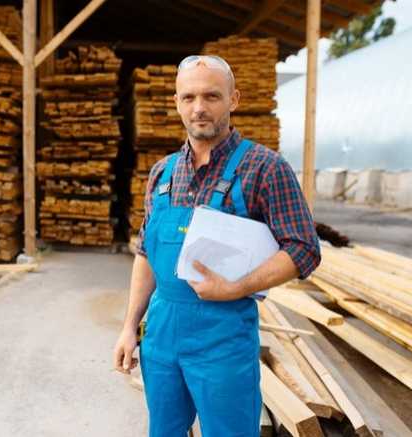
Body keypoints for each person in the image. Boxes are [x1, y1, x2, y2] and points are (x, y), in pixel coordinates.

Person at [113, 55, 321, 436]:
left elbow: (304, 248)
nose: (199, 108)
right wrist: (129, 326)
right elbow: (146, 254)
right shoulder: (162, 172)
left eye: (211, 96)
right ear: (176, 102)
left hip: (223, 341)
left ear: (234, 99)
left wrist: (236, 287)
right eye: (188, 97)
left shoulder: (265, 168)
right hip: (160, 338)